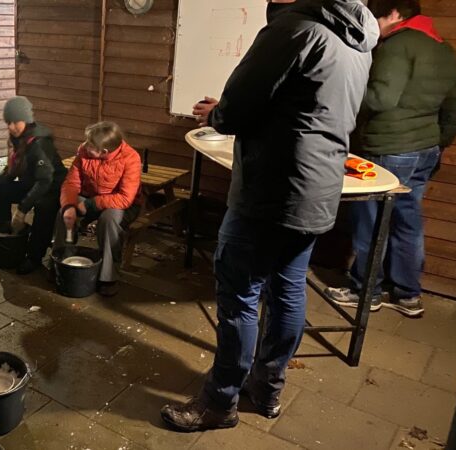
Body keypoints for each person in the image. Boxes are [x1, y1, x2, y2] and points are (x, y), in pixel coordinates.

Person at [160, 0, 378, 432]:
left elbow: (236, 110)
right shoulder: (359, 37)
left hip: (272, 189)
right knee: (288, 289)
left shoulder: (294, 29)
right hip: (318, 189)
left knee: (240, 297)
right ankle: (266, 388)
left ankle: (219, 402)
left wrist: (216, 113)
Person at [325, 0, 456, 318]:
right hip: (425, 149)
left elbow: (381, 98)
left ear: (395, 14)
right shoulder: (443, 48)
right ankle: (407, 294)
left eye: (375, 16)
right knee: (407, 222)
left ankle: (366, 292)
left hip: (388, 149)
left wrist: (344, 96)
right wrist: (439, 143)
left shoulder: (395, 45)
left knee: (372, 223)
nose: (372, 24)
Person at [0, 96, 67, 274]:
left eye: (15, 121)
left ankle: (34, 256)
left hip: (52, 188)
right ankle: (1, 241)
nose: (11, 126)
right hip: (32, 184)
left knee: (44, 206)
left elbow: (45, 181)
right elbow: (11, 170)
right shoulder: (17, 139)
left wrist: (22, 209)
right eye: (8, 122)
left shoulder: (39, 142)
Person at [52, 121, 142, 297]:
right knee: (64, 213)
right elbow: (71, 183)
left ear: (104, 151)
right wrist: (69, 205)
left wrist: (89, 205)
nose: (85, 145)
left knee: (109, 220)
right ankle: (61, 262)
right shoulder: (84, 151)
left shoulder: (131, 158)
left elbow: (125, 198)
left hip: (120, 203)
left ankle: (109, 277)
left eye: (90, 144)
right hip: (90, 197)